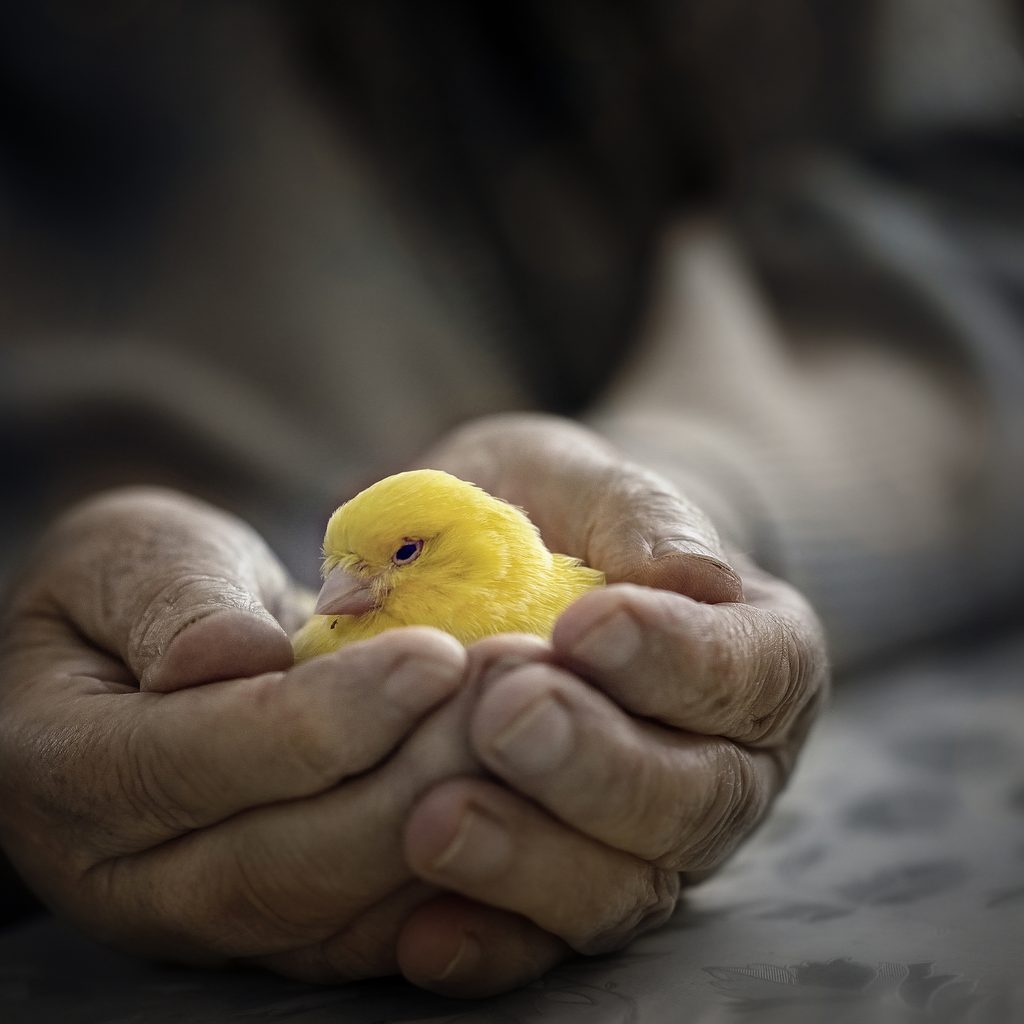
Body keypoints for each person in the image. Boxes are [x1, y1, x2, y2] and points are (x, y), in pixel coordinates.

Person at [0, 0, 1021, 1000]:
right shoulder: (311, 651)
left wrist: (702, 489)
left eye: (395, 558)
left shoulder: (582, 600)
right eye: (340, 568)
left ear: (481, 543)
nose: (346, 592)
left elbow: (973, 203)